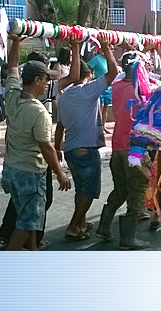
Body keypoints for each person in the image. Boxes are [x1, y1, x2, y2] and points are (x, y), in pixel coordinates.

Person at [1, 34, 71, 251]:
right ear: (37, 80)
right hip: (30, 172)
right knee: (27, 222)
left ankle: (33, 250)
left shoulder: (12, 95)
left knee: (29, 217)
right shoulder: (39, 112)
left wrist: (15, 42)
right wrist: (60, 173)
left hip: (12, 169)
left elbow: (12, 67)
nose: (48, 83)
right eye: (46, 79)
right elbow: (46, 147)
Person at [56, 40, 118, 241]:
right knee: (89, 191)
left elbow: (60, 126)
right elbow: (113, 74)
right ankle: (73, 226)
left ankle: (81, 223)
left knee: (81, 190)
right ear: (89, 75)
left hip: (71, 150)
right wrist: (107, 49)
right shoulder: (87, 90)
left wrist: (57, 148)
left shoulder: (63, 95)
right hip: (85, 149)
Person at [94, 51, 152, 250]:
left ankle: (103, 227)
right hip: (134, 150)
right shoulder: (141, 91)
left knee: (120, 190)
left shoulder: (117, 86)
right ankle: (128, 239)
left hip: (118, 147)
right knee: (137, 194)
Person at [87, 50, 112, 134]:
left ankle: (103, 126)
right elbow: (88, 67)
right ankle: (99, 127)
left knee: (106, 107)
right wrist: (90, 77)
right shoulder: (96, 59)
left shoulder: (110, 59)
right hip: (99, 85)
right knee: (100, 106)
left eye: (112, 49)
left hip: (108, 87)